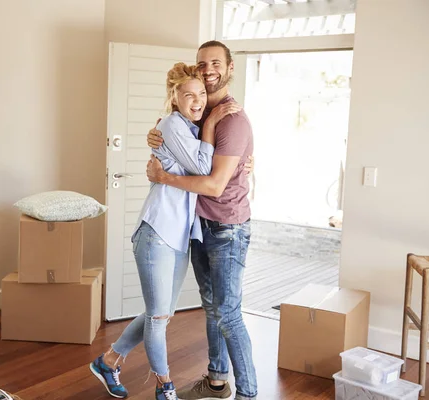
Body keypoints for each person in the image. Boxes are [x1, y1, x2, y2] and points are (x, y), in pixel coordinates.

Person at [90, 62, 240, 400]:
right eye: (189, 95)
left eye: (202, 94)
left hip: (177, 237)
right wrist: (213, 122)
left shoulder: (187, 127)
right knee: (158, 317)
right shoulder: (173, 125)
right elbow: (203, 169)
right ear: (174, 98)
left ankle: (108, 360)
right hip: (157, 233)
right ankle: (165, 387)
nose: (198, 101)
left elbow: (208, 169)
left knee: (159, 313)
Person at [145, 40, 257, 400]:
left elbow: (213, 183)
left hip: (227, 227)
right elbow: (178, 141)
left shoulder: (231, 118)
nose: (208, 70)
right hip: (200, 226)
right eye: (201, 64)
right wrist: (157, 136)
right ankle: (217, 381)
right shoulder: (198, 115)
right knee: (212, 309)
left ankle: (249, 394)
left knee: (228, 313)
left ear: (229, 68)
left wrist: (164, 178)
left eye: (215, 63)